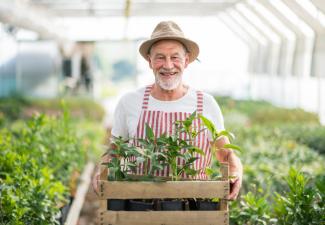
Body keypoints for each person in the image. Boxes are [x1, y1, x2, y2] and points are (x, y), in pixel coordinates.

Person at [92, 21, 243, 200]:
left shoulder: (205, 104)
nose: (168, 65)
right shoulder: (130, 102)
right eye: (160, 57)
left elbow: (225, 154)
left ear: (186, 61)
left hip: (194, 207)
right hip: (140, 206)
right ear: (150, 61)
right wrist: (102, 171)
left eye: (175, 57)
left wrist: (235, 172)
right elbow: (115, 152)